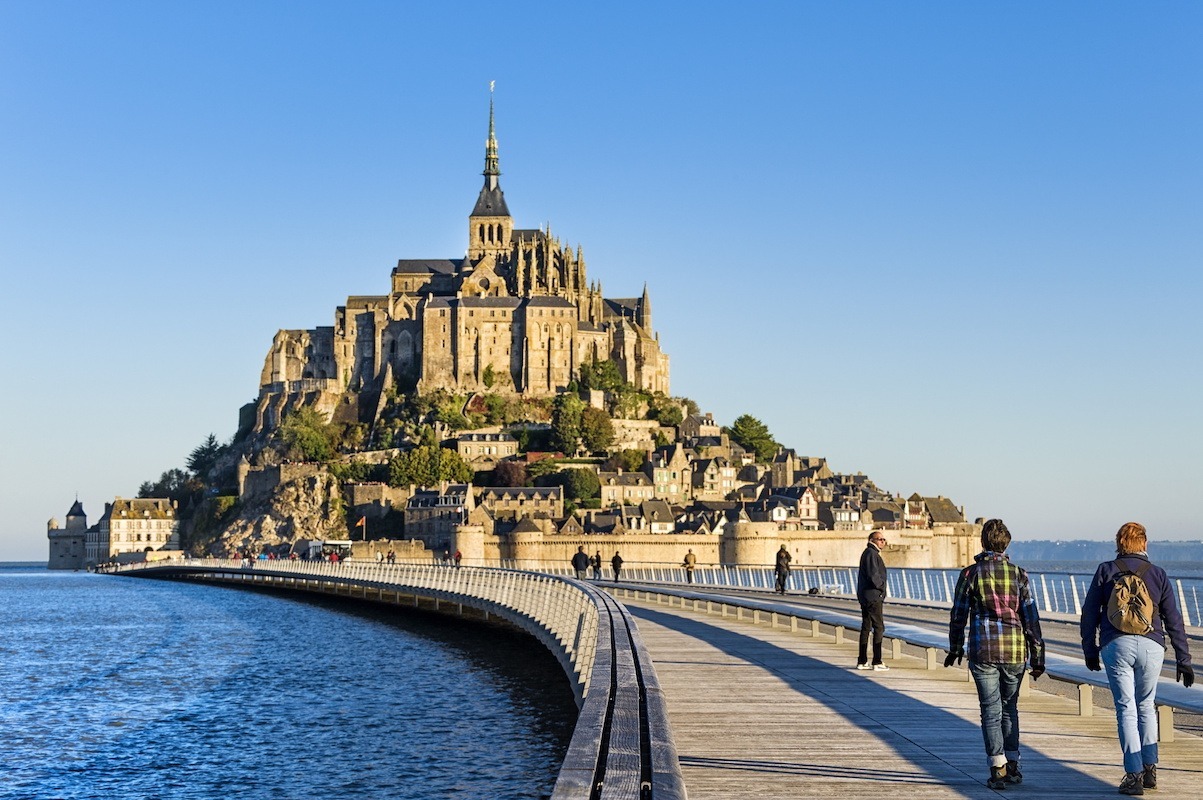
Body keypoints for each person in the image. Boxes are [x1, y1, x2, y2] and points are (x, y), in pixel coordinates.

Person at [1081, 522, 1194, 796]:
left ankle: (1133, 776)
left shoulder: (1106, 570)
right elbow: (1174, 620)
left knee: (1126, 708)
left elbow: (1089, 614)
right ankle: (1150, 769)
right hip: (1152, 646)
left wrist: (1090, 650)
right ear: (1144, 544)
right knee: (1146, 705)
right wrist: (1184, 659)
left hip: (1115, 645)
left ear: (1119, 543)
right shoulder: (1158, 574)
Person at [946, 519, 1045, 790]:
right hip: (1014, 651)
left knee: (990, 711)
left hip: (983, 649)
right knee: (1010, 708)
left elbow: (958, 616)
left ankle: (997, 767)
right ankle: (1014, 765)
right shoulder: (1019, 574)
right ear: (1007, 543)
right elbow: (1030, 618)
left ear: (983, 542)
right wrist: (1038, 657)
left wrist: (955, 648)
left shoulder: (970, 574)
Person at [856, 530, 889, 671]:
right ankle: (877, 661)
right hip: (873, 597)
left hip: (867, 595)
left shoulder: (870, 553)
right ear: (871, 540)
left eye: (884, 539)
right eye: (880, 539)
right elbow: (873, 575)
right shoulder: (871, 554)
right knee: (879, 627)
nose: (883, 541)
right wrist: (881, 587)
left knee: (866, 627)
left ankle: (862, 661)